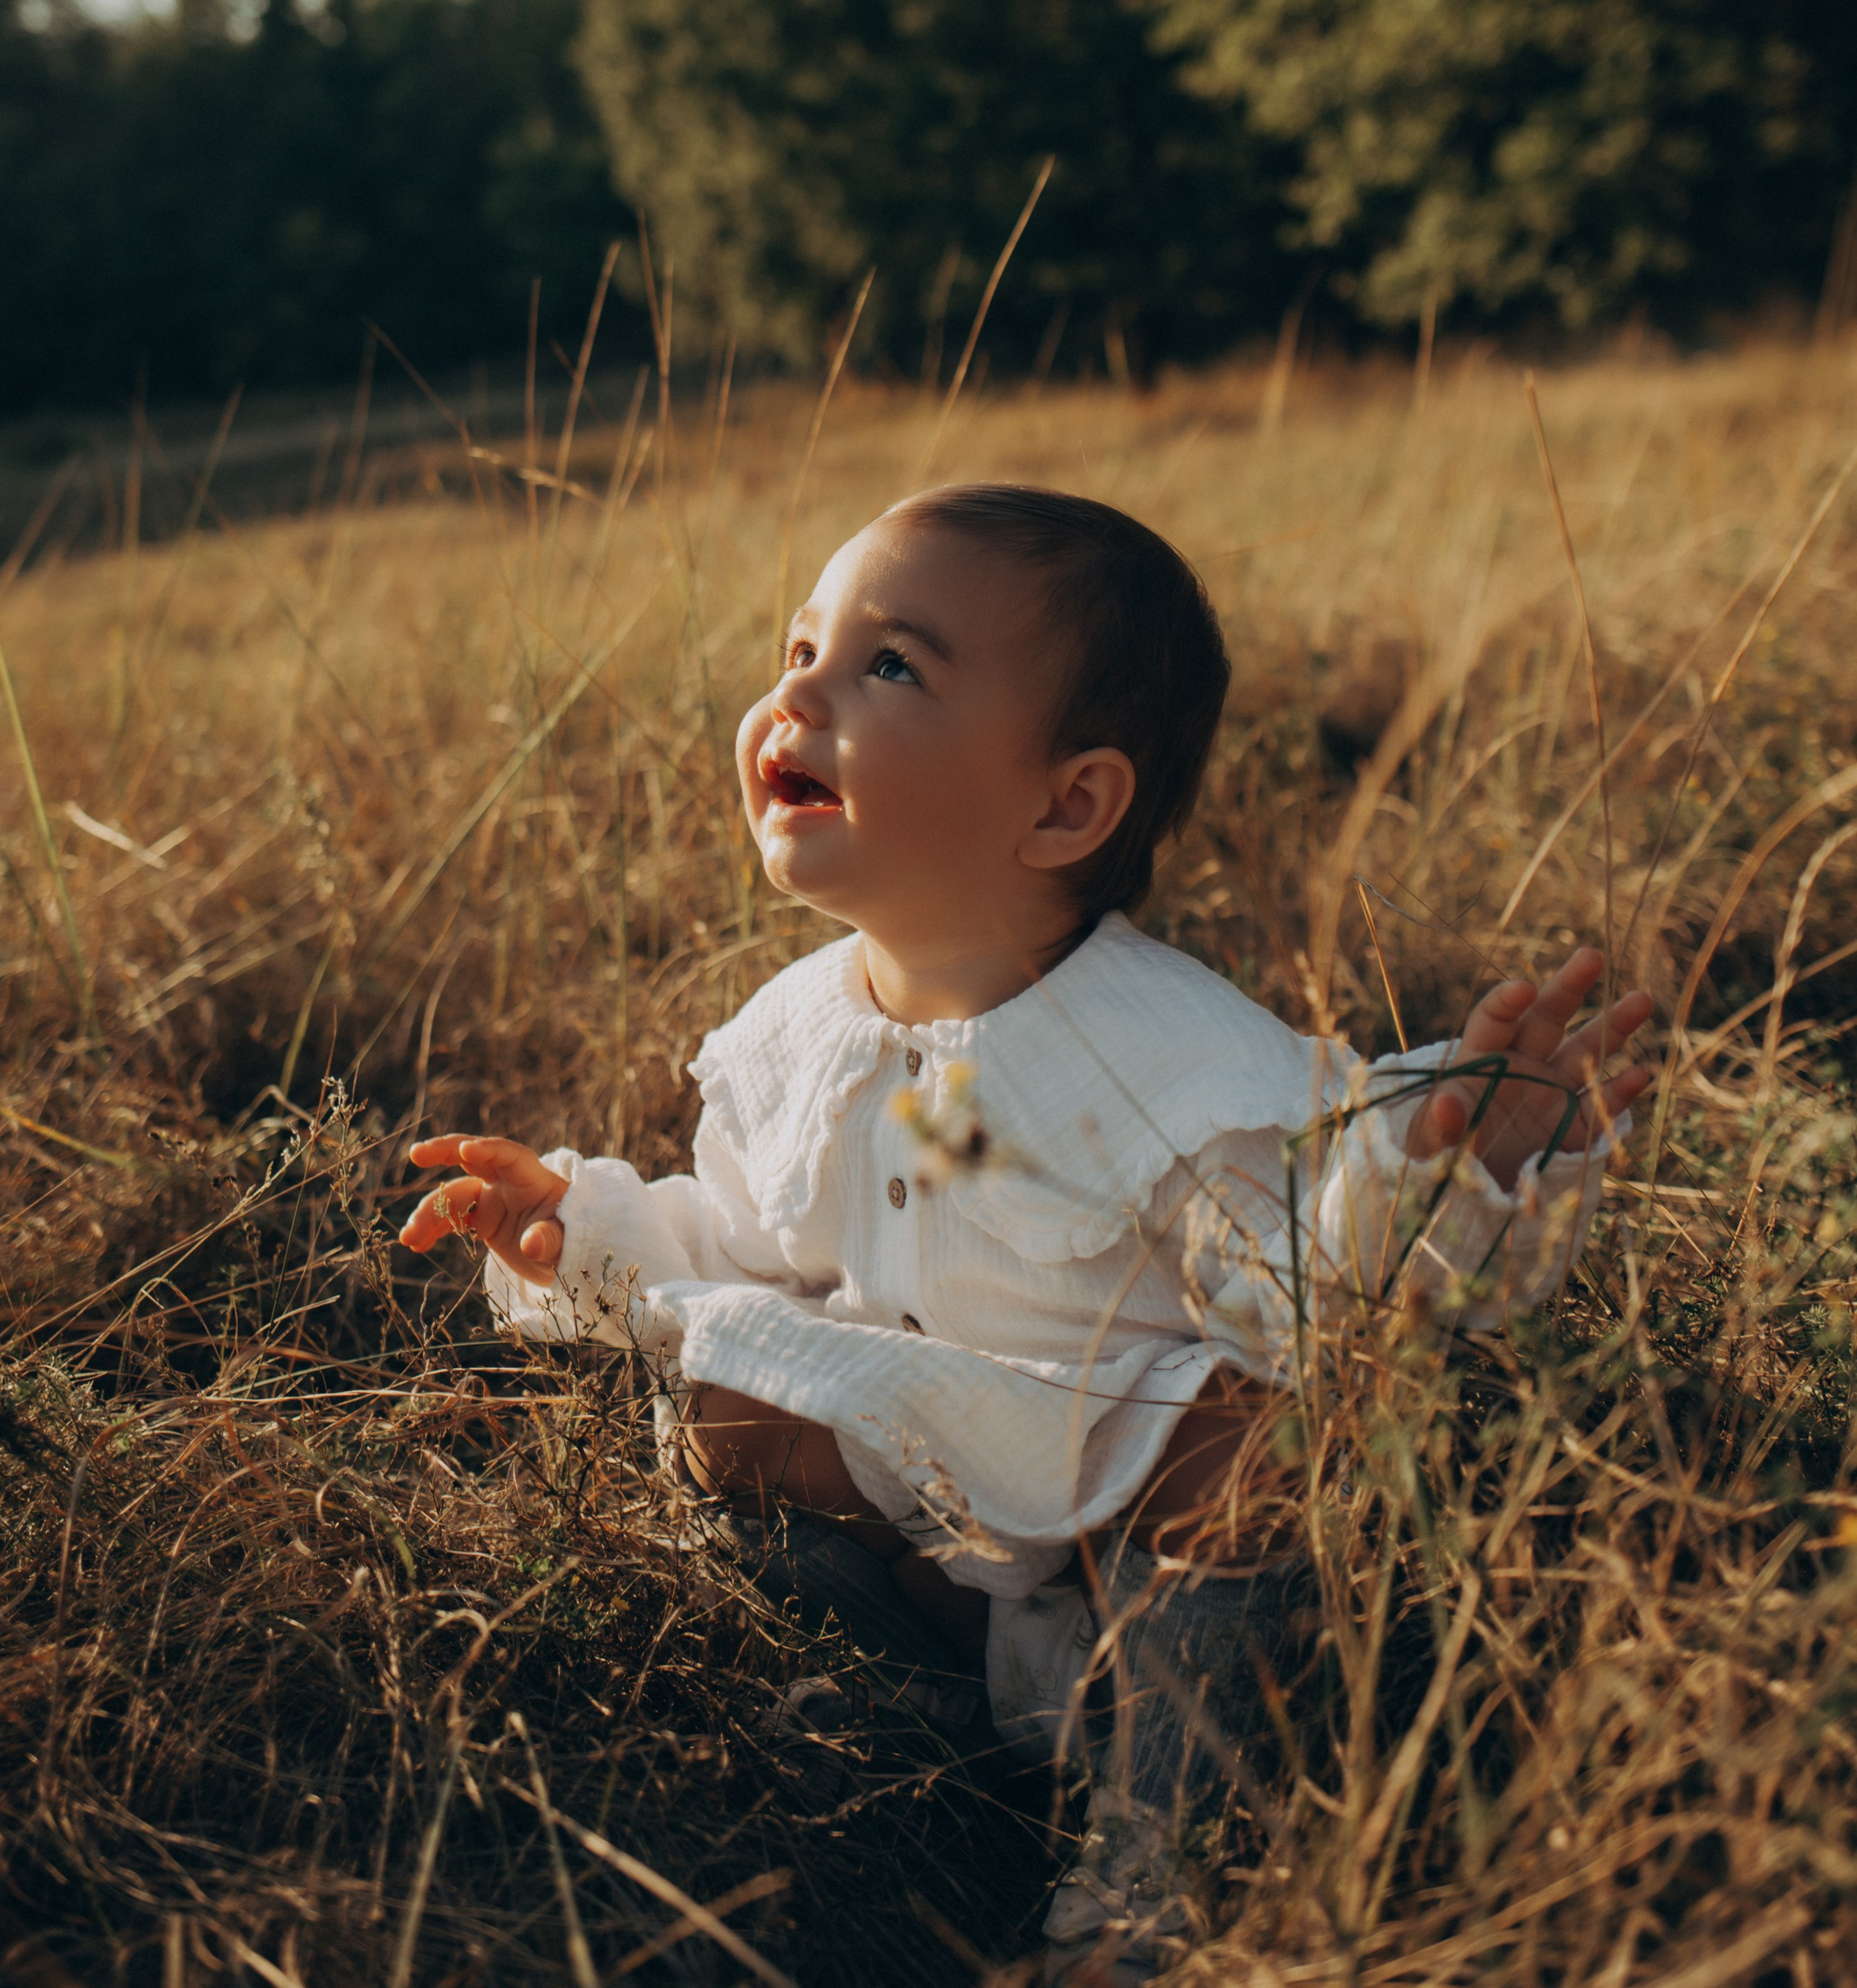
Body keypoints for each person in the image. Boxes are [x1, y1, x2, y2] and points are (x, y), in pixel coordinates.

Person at [401, 485, 1652, 1979]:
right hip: (929, 1562)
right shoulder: (808, 1033)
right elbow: (745, 1243)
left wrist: (1439, 1181)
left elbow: (1311, 1298)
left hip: (1128, 1606)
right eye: (800, 648)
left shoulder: (1168, 1062)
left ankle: (1163, 1857)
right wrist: (586, 1234)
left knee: (1251, 1438)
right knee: (727, 1398)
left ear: (1066, 807)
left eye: (889, 666)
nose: (798, 695)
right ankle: (890, 1722)